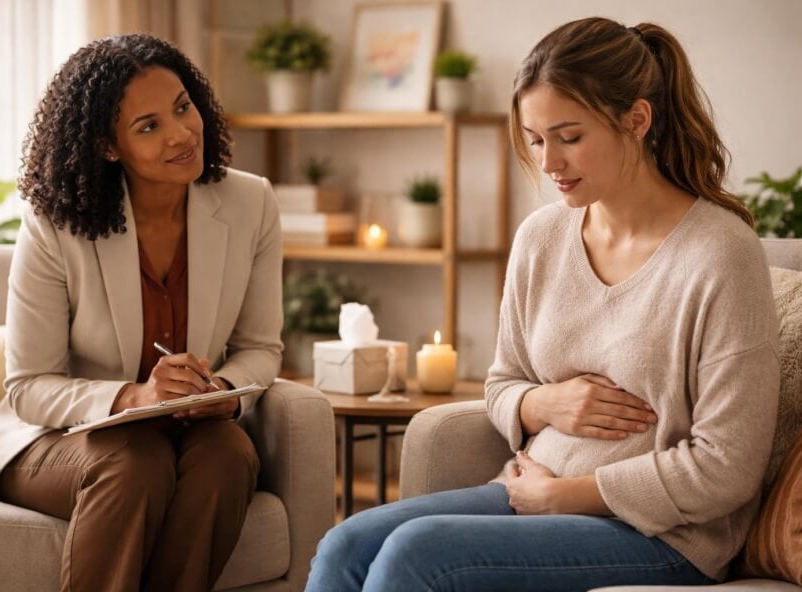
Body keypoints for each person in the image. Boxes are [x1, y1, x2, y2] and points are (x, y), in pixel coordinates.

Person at [306, 17, 779, 592]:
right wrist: (543, 403)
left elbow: (727, 466)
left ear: (636, 120)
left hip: (662, 534)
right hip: (531, 489)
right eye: (535, 140)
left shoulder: (722, 253)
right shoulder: (541, 237)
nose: (549, 162)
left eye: (569, 136)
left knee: (415, 553)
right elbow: (502, 381)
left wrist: (568, 494)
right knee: (346, 543)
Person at [0, 34, 283, 591]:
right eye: (149, 126)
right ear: (109, 146)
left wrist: (220, 389)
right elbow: (29, 385)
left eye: (183, 107)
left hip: (188, 429)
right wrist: (135, 397)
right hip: (60, 438)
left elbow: (261, 348)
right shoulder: (57, 223)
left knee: (229, 456)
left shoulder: (251, 203)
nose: (181, 133)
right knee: (134, 463)